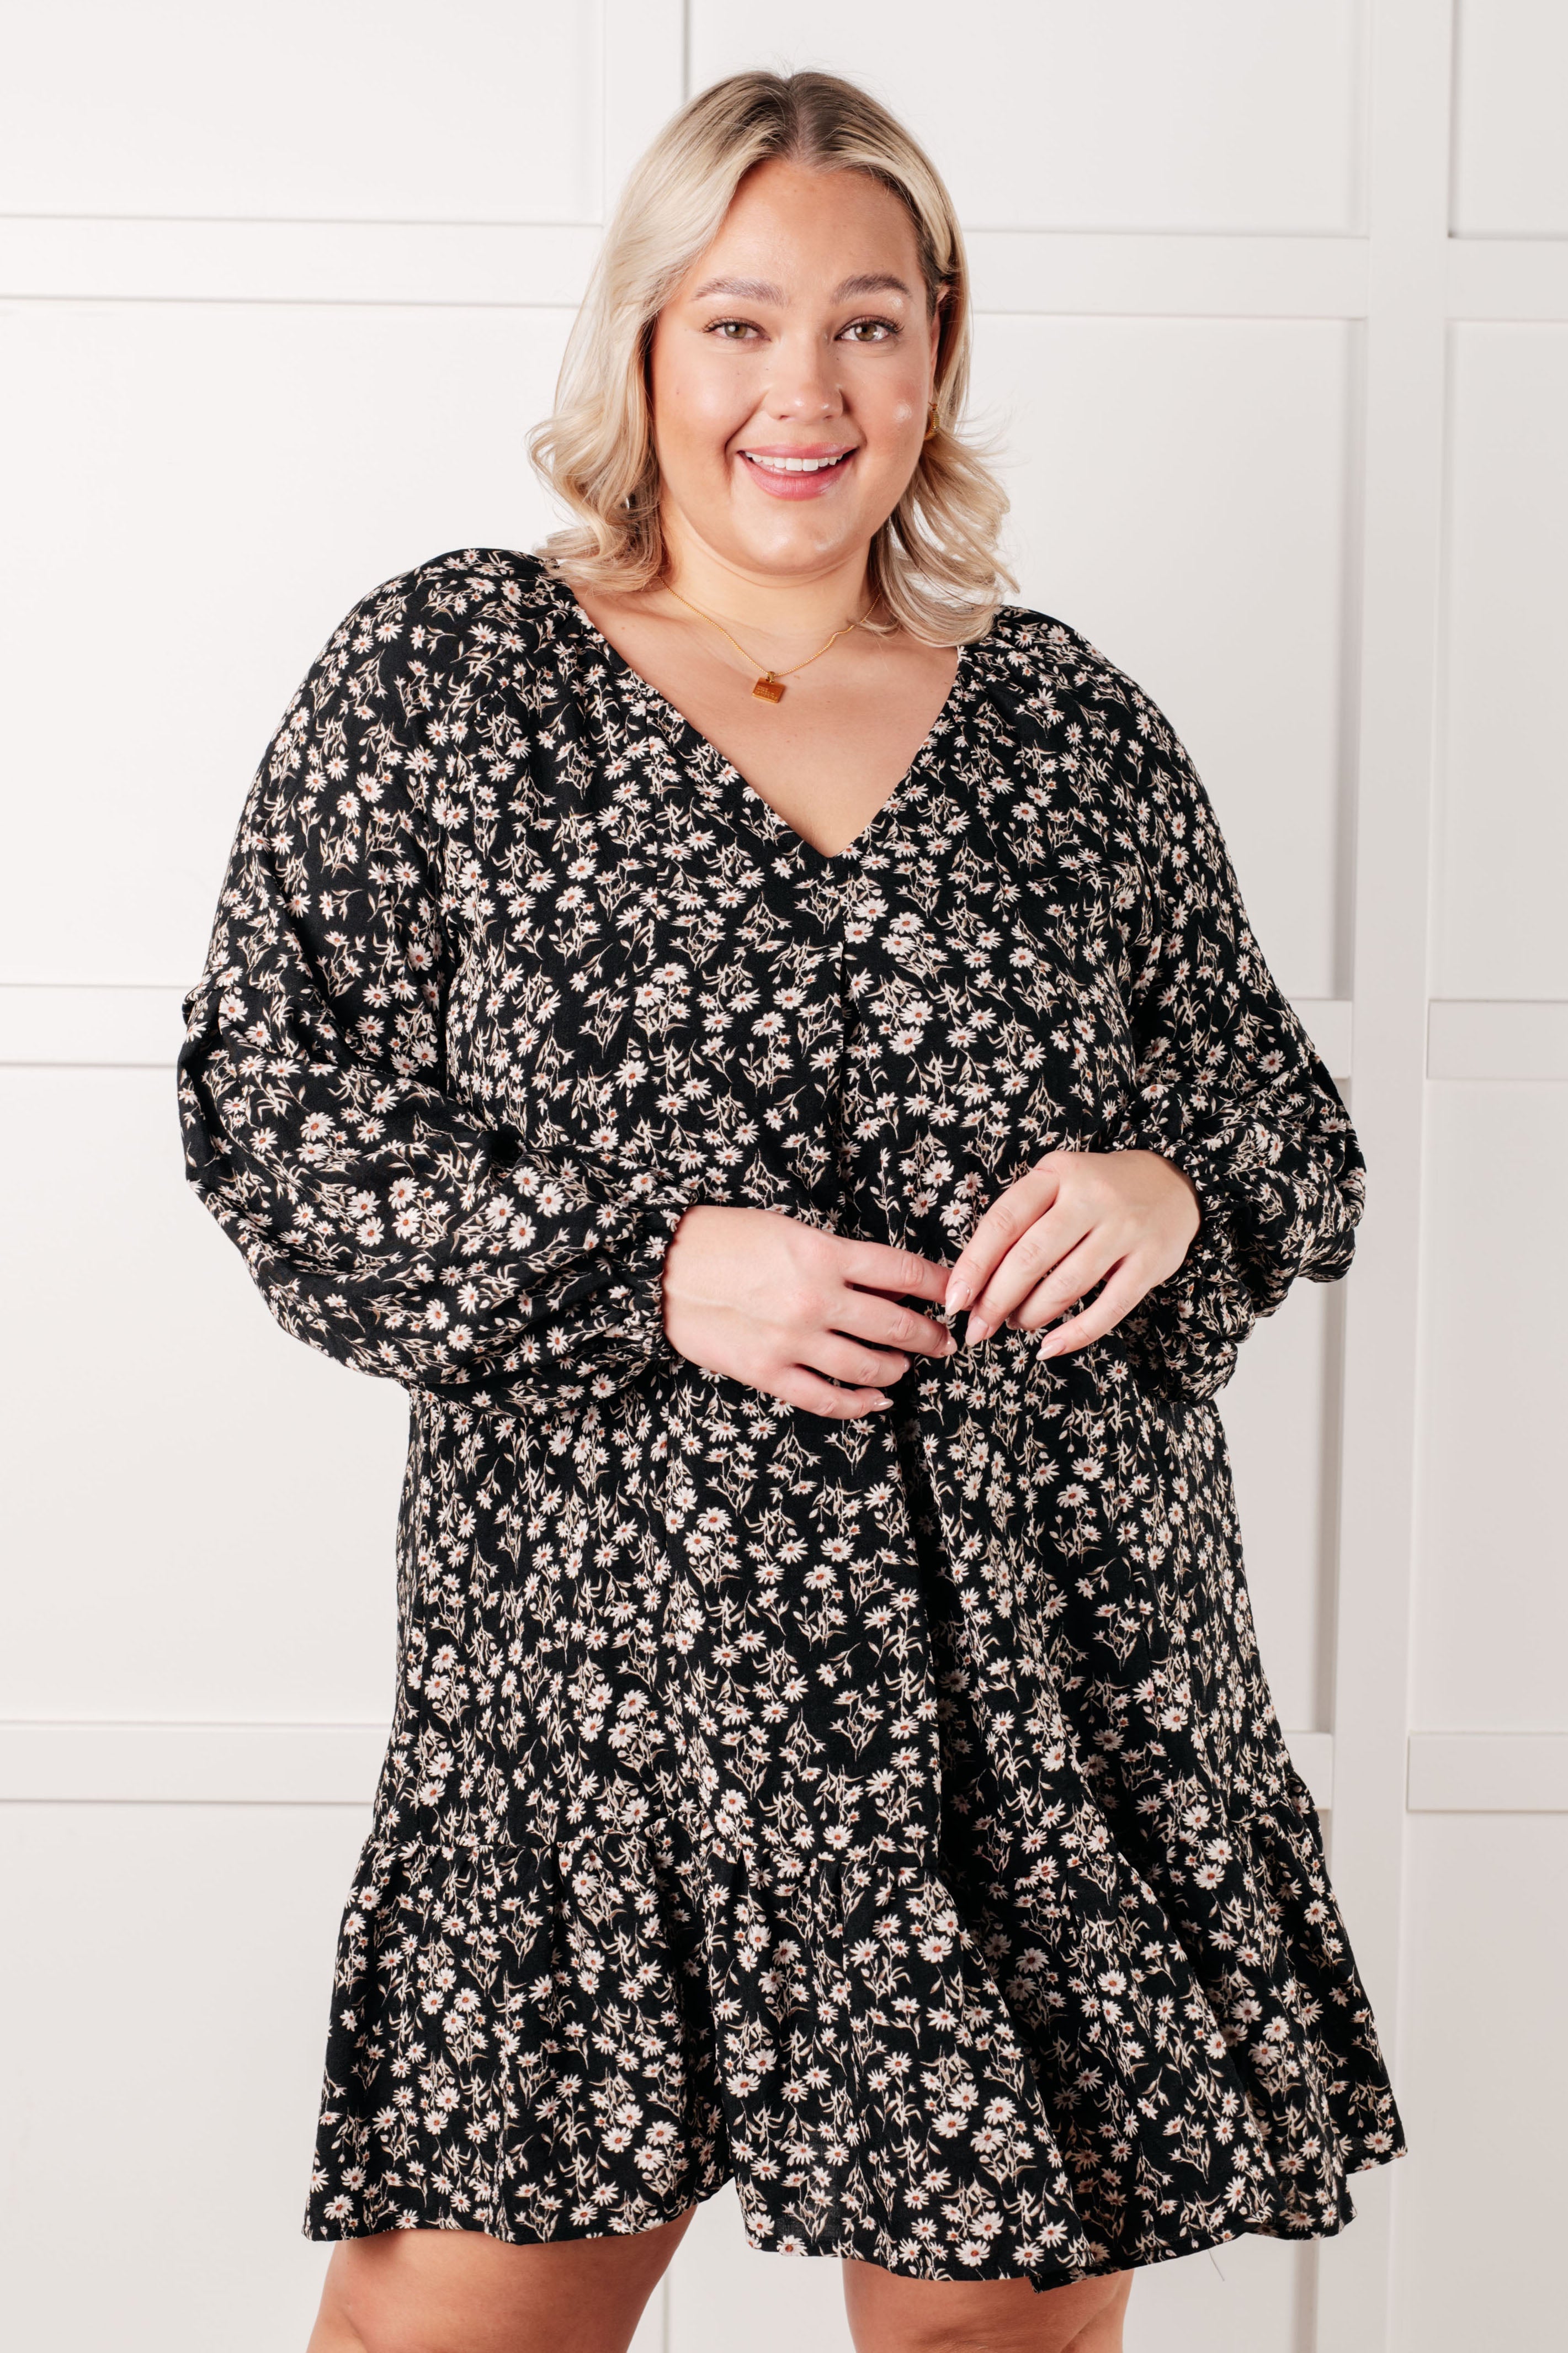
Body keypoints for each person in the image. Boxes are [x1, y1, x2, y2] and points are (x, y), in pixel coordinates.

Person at [177, 66, 1406, 2353]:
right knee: (451, 2319)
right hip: (602, 1676)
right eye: (740, 323)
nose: (803, 391)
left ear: (938, 350)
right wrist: (649, 1266)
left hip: (1031, 1661)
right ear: (645, 342)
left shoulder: (1066, 727)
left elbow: (1281, 1129)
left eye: (867, 324)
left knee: (985, 2333)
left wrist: (1164, 1187)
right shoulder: (452, 677)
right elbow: (278, 1117)